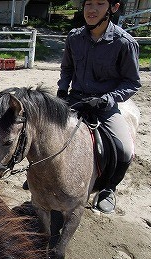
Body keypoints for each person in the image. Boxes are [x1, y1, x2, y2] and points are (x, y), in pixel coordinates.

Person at [56, 0, 141, 213]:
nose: (92, 10)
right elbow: (67, 68)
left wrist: (109, 98)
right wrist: (62, 89)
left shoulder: (124, 42)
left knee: (124, 149)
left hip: (105, 105)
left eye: (100, 4)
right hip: (75, 100)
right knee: (42, 134)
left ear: (113, 7)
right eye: (88, 4)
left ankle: (108, 189)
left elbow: (132, 82)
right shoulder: (74, 38)